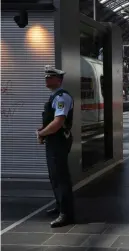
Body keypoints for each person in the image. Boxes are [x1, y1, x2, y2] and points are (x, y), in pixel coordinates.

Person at [37, 65, 74, 228]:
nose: (46, 79)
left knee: (61, 177)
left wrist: (42, 133)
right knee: (54, 177)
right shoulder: (54, 96)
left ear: (58, 80)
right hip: (53, 141)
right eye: (46, 77)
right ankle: (60, 206)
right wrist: (44, 133)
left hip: (58, 141)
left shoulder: (61, 97)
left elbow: (58, 123)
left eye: (49, 77)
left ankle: (66, 213)